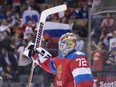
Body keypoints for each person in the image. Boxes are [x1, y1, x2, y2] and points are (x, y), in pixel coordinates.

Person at [24, 32, 94, 87]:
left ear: (71, 44)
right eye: (61, 44)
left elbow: (84, 81)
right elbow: (51, 66)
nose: (62, 46)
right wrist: (37, 56)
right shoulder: (61, 57)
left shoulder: (78, 57)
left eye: (65, 44)